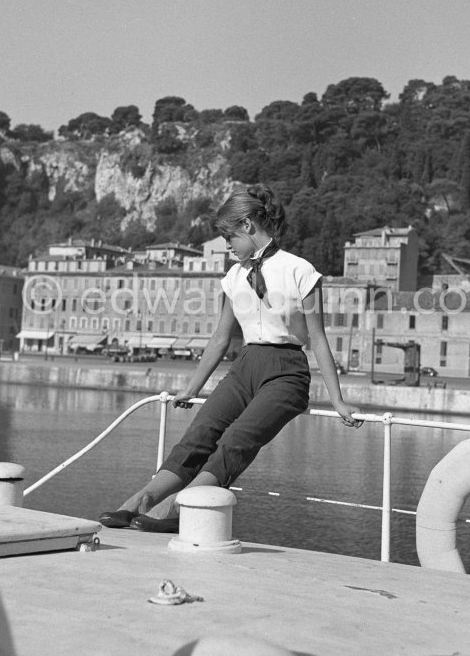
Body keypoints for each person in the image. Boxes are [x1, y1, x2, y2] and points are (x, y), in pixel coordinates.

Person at [99, 184, 363, 532]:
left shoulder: (301, 271)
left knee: (236, 439)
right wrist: (191, 387)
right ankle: (142, 500)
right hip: (244, 366)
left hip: (286, 373)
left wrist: (339, 401)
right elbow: (221, 338)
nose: (226, 246)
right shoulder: (233, 277)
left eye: (229, 237)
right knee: (200, 433)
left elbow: (317, 338)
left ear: (249, 226)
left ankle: (180, 509)